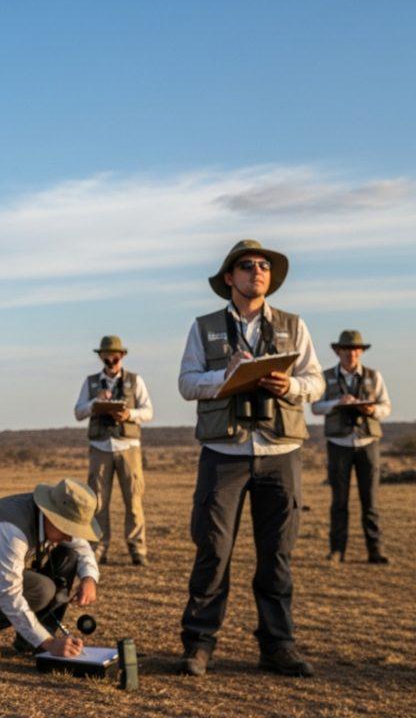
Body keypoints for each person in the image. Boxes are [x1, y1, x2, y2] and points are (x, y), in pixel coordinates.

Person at [176, 239, 324, 678]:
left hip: (280, 451)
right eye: (246, 265)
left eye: (263, 266)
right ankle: (199, 644)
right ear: (229, 278)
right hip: (224, 452)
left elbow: (315, 380)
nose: (256, 271)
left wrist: (291, 387)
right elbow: (186, 383)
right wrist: (226, 376)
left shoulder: (294, 325)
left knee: (277, 554)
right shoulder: (204, 327)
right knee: (213, 551)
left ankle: (278, 646)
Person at [0, 478, 100, 660]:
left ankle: (34, 638)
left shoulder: (56, 520)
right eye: (67, 528)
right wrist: (49, 643)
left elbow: (81, 548)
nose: (69, 536)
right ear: (51, 515)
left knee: (68, 556)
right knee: (40, 589)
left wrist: (89, 578)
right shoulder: (12, 530)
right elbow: (9, 594)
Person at [311, 330, 391, 565]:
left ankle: (375, 550)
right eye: (346, 349)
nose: (351, 354)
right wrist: (338, 403)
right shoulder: (325, 377)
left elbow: (386, 407)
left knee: (371, 501)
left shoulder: (373, 376)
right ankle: (337, 550)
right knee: (339, 501)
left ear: (361, 352)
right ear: (338, 351)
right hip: (339, 444)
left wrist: (371, 410)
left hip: (367, 443)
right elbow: (315, 407)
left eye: (355, 349)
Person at [73, 335, 153, 566]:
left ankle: (138, 549)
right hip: (100, 447)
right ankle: (98, 548)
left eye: (116, 356)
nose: (112, 360)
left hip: (128, 446)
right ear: (101, 357)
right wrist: (94, 404)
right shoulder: (91, 383)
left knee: (134, 501)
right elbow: (78, 412)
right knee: (97, 502)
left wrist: (130, 414)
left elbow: (148, 411)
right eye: (107, 356)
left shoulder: (135, 381)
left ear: (122, 356)